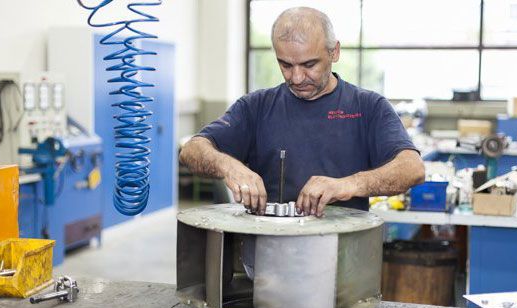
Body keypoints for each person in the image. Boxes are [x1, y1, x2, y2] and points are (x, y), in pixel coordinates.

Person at [180, 6, 424, 217]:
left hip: (343, 253)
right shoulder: (256, 106)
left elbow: (412, 169)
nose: (296, 77)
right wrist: (229, 167)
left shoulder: (368, 107)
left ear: (334, 52)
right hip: (270, 251)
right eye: (285, 65)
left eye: (309, 64)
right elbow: (192, 150)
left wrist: (349, 185)